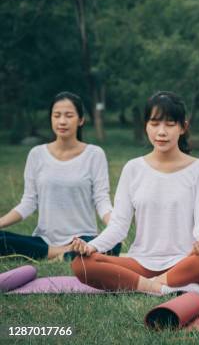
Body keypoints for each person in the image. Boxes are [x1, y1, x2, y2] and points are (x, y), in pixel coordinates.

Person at [70, 91, 199, 295]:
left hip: (184, 261)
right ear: (145, 126)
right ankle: (158, 286)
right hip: (141, 263)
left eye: (170, 124)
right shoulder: (133, 169)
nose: (161, 132)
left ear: (183, 127)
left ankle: (150, 284)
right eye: (154, 124)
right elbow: (118, 226)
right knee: (81, 263)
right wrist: (93, 246)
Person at [0, 91, 120, 260]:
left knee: (114, 243)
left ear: (81, 120)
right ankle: (60, 253)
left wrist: (115, 227)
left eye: (69, 115)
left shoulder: (94, 154)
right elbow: (28, 203)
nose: (62, 121)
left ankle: (65, 253)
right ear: (51, 119)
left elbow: (101, 199)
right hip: (44, 240)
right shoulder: (37, 154)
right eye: (57, 115)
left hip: (83, 239)